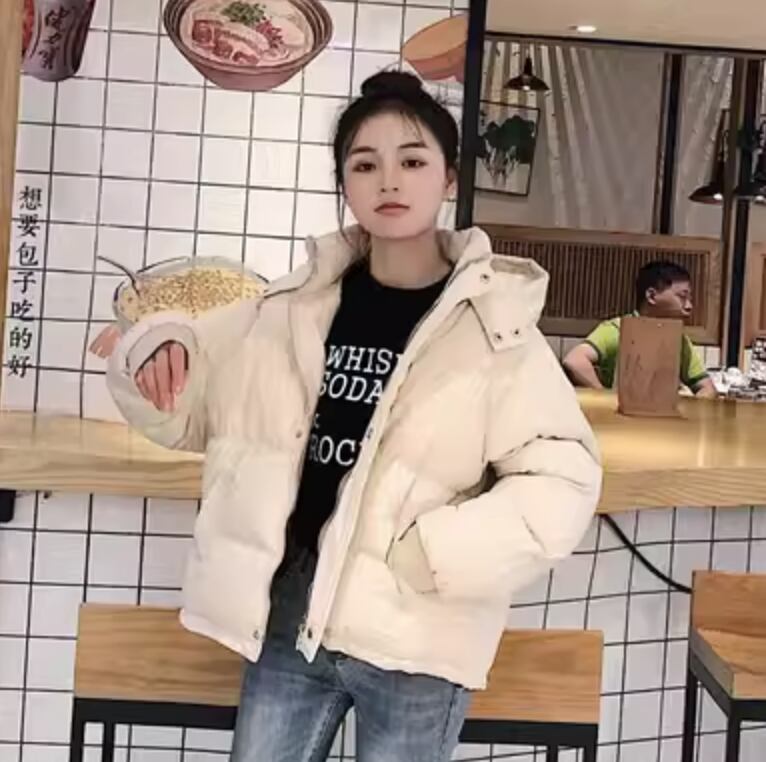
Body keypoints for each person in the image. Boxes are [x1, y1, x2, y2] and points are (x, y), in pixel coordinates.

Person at [107, 71, 602, 762]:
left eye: (412, 161)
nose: (388, 180)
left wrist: (436, 555)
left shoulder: (496, 329)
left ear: (449, 179)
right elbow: (185, 398)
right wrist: (153, 349)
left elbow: (564, 476)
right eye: (365, 165)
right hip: (290, 617)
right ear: (344, 184)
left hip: (416, 630)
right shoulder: (290, 309)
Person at [563, 261, 717, 398]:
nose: (689, 306)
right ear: (651, 296)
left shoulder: (678, 339)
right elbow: (575, 361)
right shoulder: (618, 329)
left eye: (689, 299)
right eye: (682, 297)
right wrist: (606, 397)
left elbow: (706, 387)